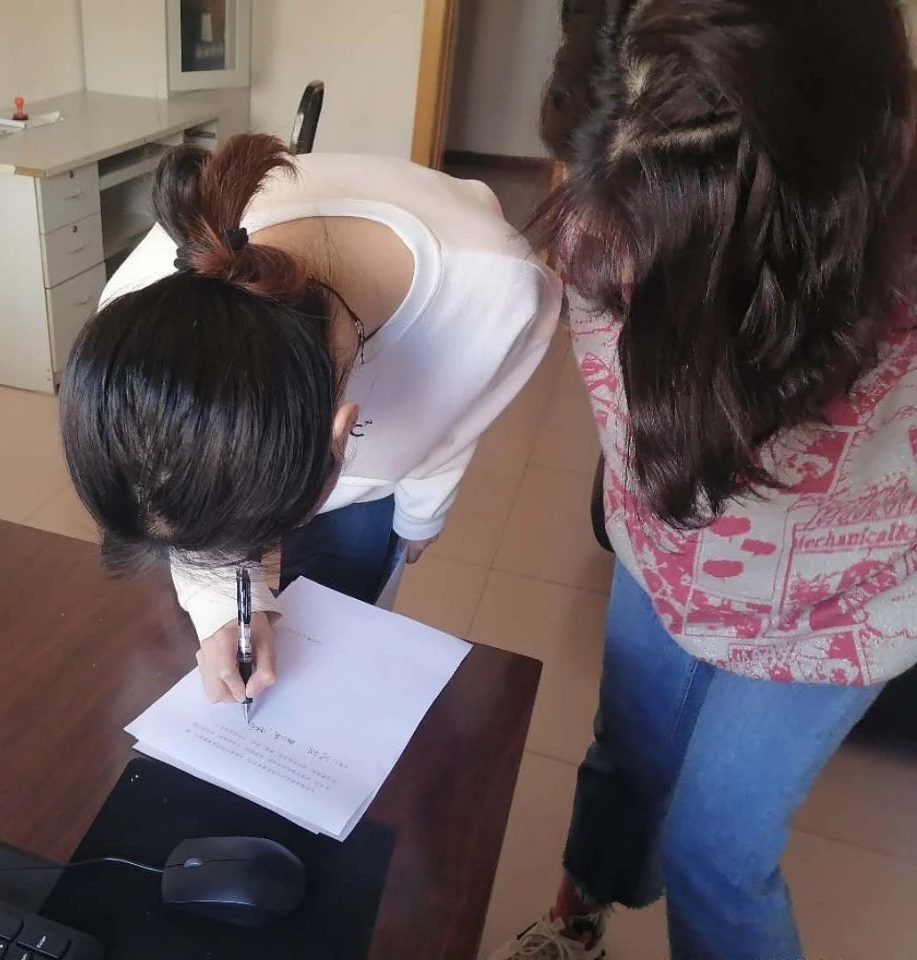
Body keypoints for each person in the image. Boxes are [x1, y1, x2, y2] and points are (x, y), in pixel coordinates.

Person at [490, 1, 917, 959]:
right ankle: (578, 920)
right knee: (624, 763)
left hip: (838, 613)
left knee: (716, 857)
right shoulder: (603, 186)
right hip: (662, 555)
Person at [61, 133, 561, 703]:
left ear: (344, 433)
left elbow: (454, 422)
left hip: (387, 453)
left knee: (351, 603)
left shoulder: (503, 292)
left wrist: (421, 515)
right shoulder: (136, 314)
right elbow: (182, 495)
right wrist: (224, 611)